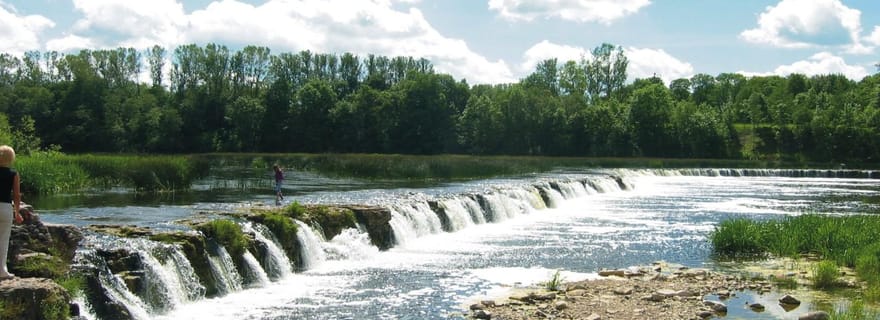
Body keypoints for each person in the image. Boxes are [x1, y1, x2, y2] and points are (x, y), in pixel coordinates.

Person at [0, 145, 22, 280]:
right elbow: (16, 195)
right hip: (6, 208)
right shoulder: (13, 173)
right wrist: (17, 212)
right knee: (3, 240)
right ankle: (2, 270)